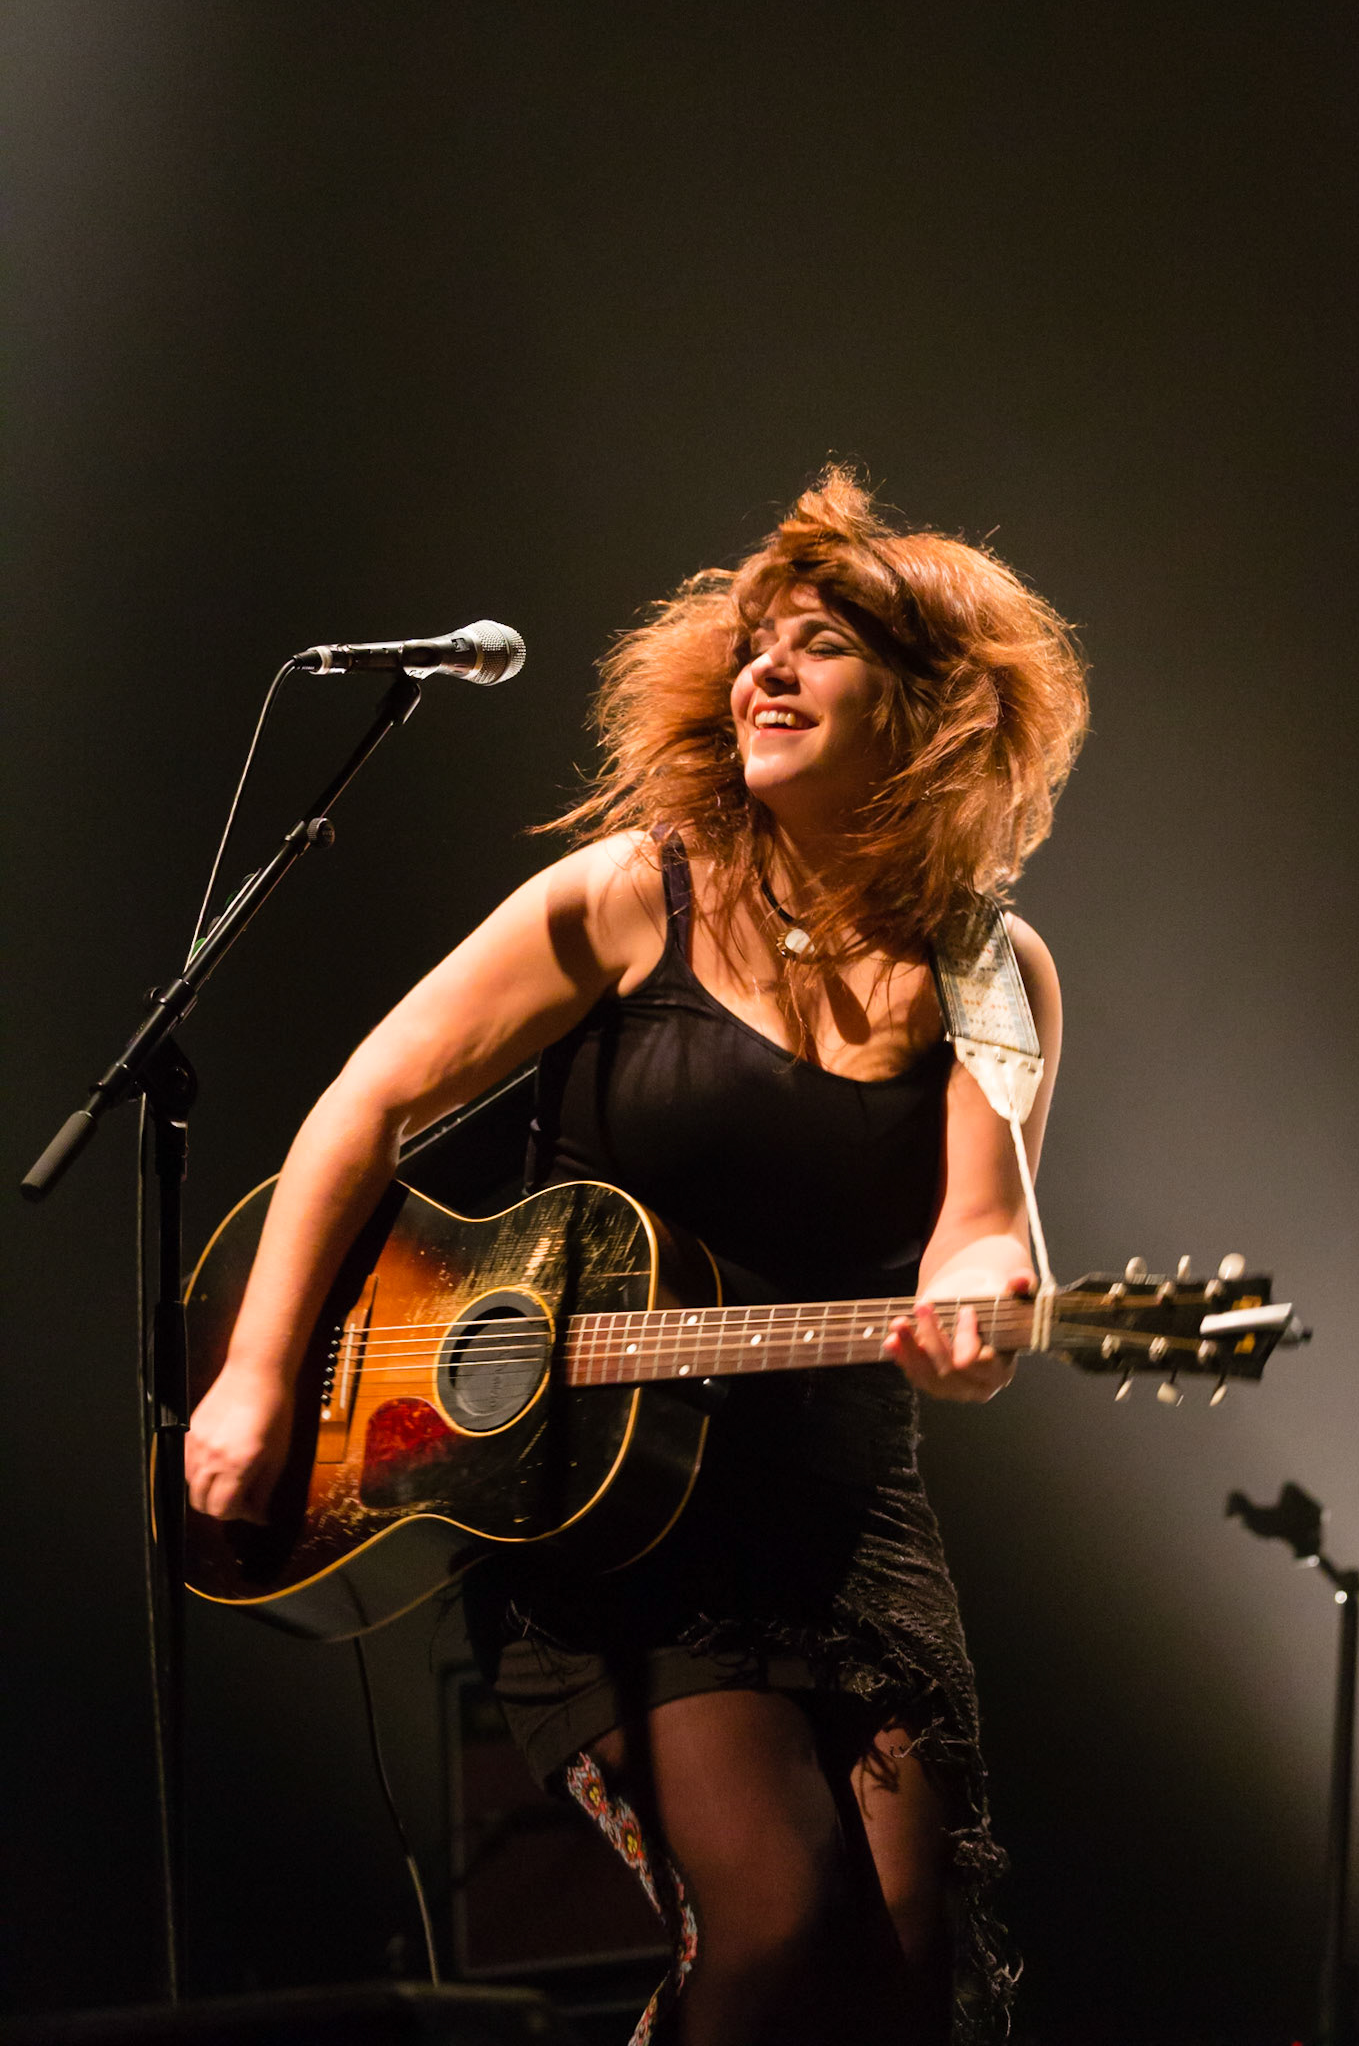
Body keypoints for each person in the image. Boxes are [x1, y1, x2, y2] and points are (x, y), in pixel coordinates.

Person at [186, 470, 1088, 2045]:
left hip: (841, 1520)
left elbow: (983, 1231)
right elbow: (365, 1104)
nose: (767, 670)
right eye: (754, 644)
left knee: (910, 1963)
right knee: (776, 1918)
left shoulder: (990, 967)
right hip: (598, 1523)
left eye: (819, 644)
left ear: (936, 709)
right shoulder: (630, 893)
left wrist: (979, 1314)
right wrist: (257, 1378)